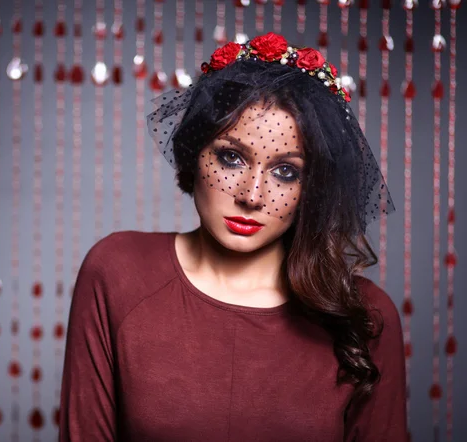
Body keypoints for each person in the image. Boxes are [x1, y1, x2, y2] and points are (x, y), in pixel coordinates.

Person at [59, 32, 408, 441]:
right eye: (231, 157)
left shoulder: (364, 317)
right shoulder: (118, 272)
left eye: (285, 171)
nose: (252, 195)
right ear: (194, 152)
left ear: (310, 187)